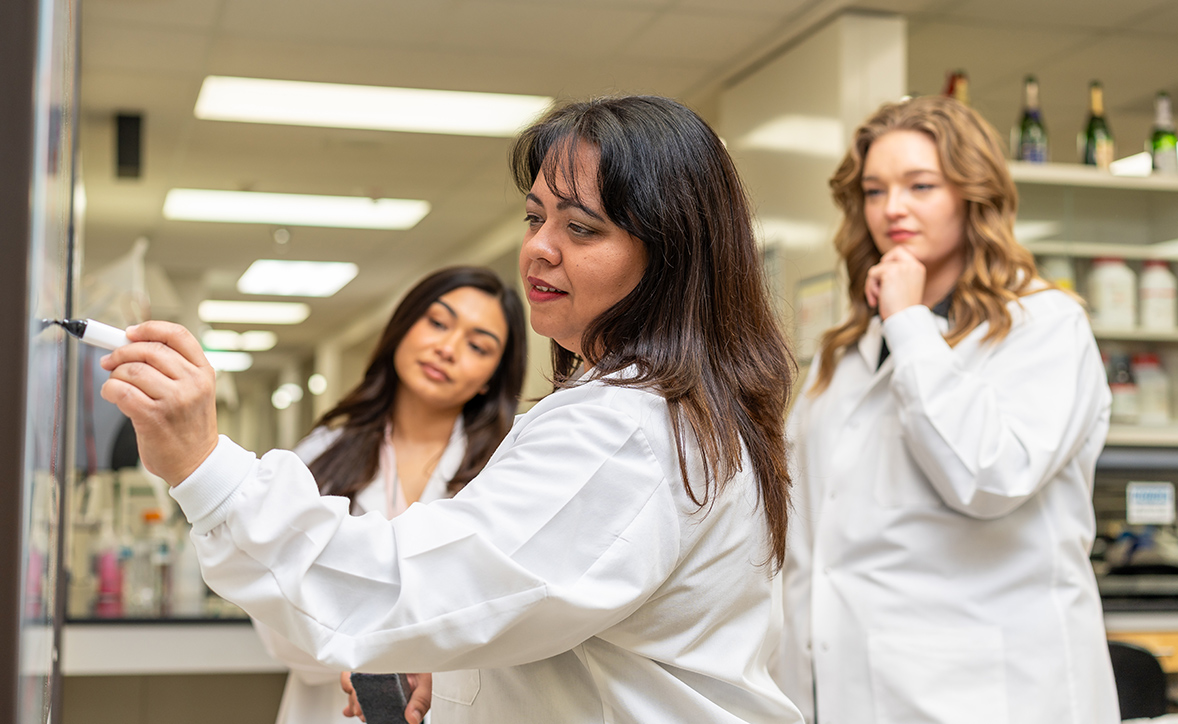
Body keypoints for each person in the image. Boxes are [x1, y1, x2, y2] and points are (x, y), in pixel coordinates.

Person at [99, 95, 803, 724]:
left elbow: (395, 589)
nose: (539, 249)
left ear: (672, 254)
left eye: (582, 229)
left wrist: (206, 465)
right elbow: (547, 612)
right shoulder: (657, 414)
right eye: (535, 217)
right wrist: (459, 669)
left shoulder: (624, 432)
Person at [777, 95, 1118, 724]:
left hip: (989, 693)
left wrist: (908, 321)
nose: (892, 209)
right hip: (837, 687)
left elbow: (989, 475)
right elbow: (802, 522)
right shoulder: (848, 350)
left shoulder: (1043, 325)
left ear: (973, 194)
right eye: (875, 191)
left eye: (920, 185)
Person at [253, 266, 527, 724]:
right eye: (438, 323)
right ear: (403, 328)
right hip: (327, 705)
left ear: (490, 377)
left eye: (478, 346)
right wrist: (358, 654)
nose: (448, 348)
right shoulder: (322, 454)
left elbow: (512, 608)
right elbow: (270, 595)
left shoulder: (508, 468)